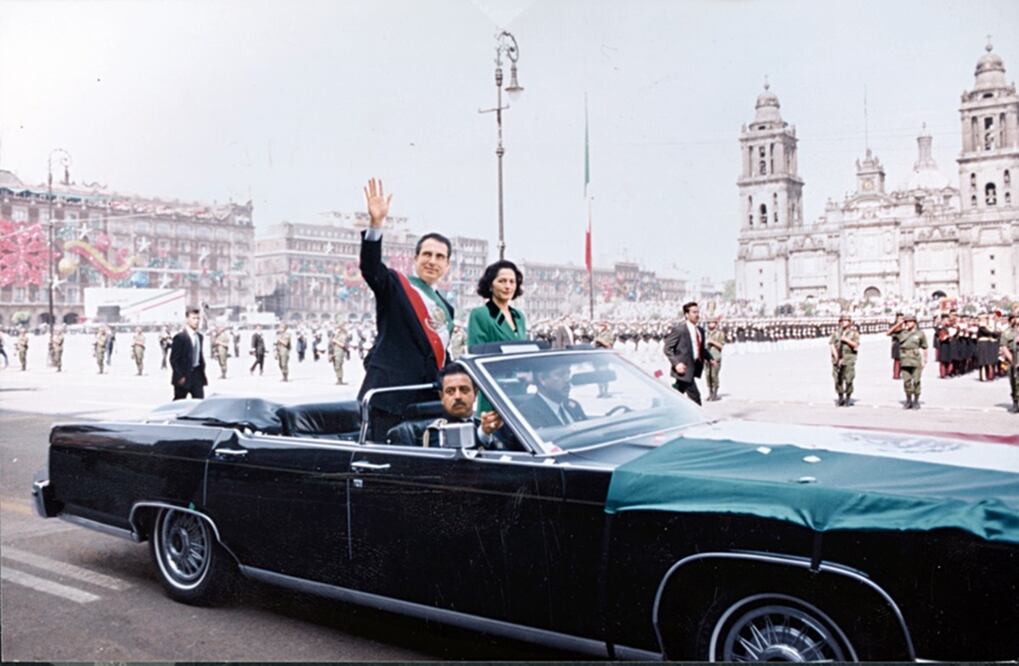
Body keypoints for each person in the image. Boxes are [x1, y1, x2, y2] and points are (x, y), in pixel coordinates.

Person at [357, 178, 456, 438]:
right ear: (416, 259)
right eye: (427, 254)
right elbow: (370, 268)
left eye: (440, 257)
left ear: (447, 265)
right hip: (389, 397)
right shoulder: (396, 285)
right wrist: (376, 224)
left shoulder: (447, 307)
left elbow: (441, 355)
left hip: (426, 401)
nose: (432, 261)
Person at [386, 363, 511, 449]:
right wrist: (483, 434)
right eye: (450, 391)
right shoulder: (433, 431)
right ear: (441, 396)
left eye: (464, 390)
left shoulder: (488, 426)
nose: (457, 396)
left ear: (475, 393)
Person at [467, 260, 527, 349]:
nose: (508, 286)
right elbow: (477, 351)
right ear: (490, 285)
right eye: (502, 281)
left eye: (512, 281)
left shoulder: (519, 316)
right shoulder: (480, 314)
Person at [515, 363, 587, 428]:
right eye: (560, 374)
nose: (567, 379)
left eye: (568, 373)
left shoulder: (573, 405)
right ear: (542, 379)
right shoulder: (528, 412)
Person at [663, 301, 707, 405]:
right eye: (694, 312)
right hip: (683, 369)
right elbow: (667, 348)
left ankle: (665, 405)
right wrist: (676, 363)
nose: (697, 315)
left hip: (693, 367)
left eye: (698, 312)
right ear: (686, 315)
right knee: (695, 396)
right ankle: (700, 417)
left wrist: (710, 358)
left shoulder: (700, 331)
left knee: (677, 391)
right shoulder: (680, 330)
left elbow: (700, 348)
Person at [169, 306, 208, 400]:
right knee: (179, 403)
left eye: (198, 318)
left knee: (199, 403)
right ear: (187, 319)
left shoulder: (199, 337)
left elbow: (199, 356)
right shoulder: (180, 337)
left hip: (197, 375)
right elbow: (174, 360)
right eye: (193, 318)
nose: (196, 321)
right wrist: (180, 376)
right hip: (184, 376)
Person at [895, 314, 927, 410]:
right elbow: (888, 333)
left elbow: (925, 347)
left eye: (909, 321)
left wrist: (925, 360)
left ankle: (916, 400)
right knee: (907, 381)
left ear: (914, 322)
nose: (907, 324)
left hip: (916, 359)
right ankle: (908, 400)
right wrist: (899, 323)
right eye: (906, 322)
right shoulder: (902, 333)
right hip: (905, 359)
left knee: (916, 381)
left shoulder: (920, 333)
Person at [829, 314, 860, 406]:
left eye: (846, 321)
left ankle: (848, 397)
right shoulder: (836, 333)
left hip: (849, 359)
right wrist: (836, 357)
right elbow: (831, 344)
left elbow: (856, 345)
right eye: (842, 321)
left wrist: (846, 340)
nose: (843, 322)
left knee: (849, 379)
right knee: (838, 379)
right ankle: (840, 396)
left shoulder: (854, 333)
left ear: (850, 323)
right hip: (837, 359)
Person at [1000, 313, 1019, 413]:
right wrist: (1013, 360)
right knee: (1014, 381)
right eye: (1016, 318)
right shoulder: (1007, 332)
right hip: (1014, 358)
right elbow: (1004, 347)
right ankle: (1016, 401)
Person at [705, 316, 726, 401]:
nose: (711, 324)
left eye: (712, 322)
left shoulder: (719, 334)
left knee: (714, 375)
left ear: (716, 324)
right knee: (707, 375)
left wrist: (712, 341)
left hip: (715, 357)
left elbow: (721, 346)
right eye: (709, 323)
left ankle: (715, 393)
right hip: (706, 357)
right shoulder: (705, 333)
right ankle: (710, 393)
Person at [887, 312, 904, 380]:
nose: (901, 320)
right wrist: (898, 324)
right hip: (897, 343)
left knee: (904, 359)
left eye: (902, 318)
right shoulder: (894, 326)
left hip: (904, 343)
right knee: (897, 360)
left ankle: (902, 373)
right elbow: (888, 332)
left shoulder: (905, 325)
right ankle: (896, 374)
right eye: (899, 318)